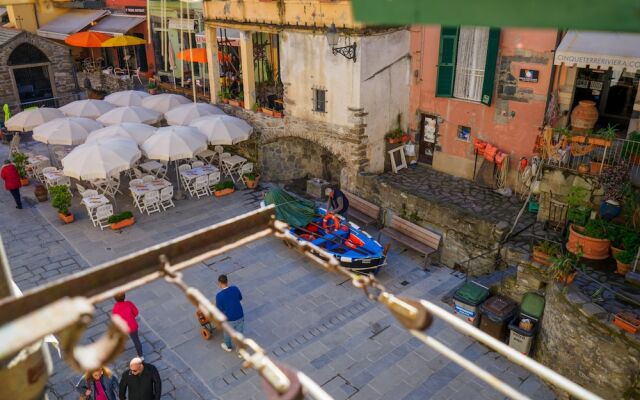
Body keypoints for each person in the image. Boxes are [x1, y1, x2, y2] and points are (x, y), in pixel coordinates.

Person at [215, 274, 244, 352]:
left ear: (219, 283)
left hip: (229, 319)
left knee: (227, 333)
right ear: (227, 281)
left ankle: (228, 347)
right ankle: (240, 350)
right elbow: (240, 298)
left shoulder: (219, 296)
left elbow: (219, 310)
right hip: (240, 315)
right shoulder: (235, 288)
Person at [111, 292, 143, 359]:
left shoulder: (115, 308)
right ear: (124, 296)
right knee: (136, 340)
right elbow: (136, 312)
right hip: (132, 326)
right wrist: (131, 317)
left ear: (115, 299)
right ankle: (141, 356)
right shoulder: (129, 304)